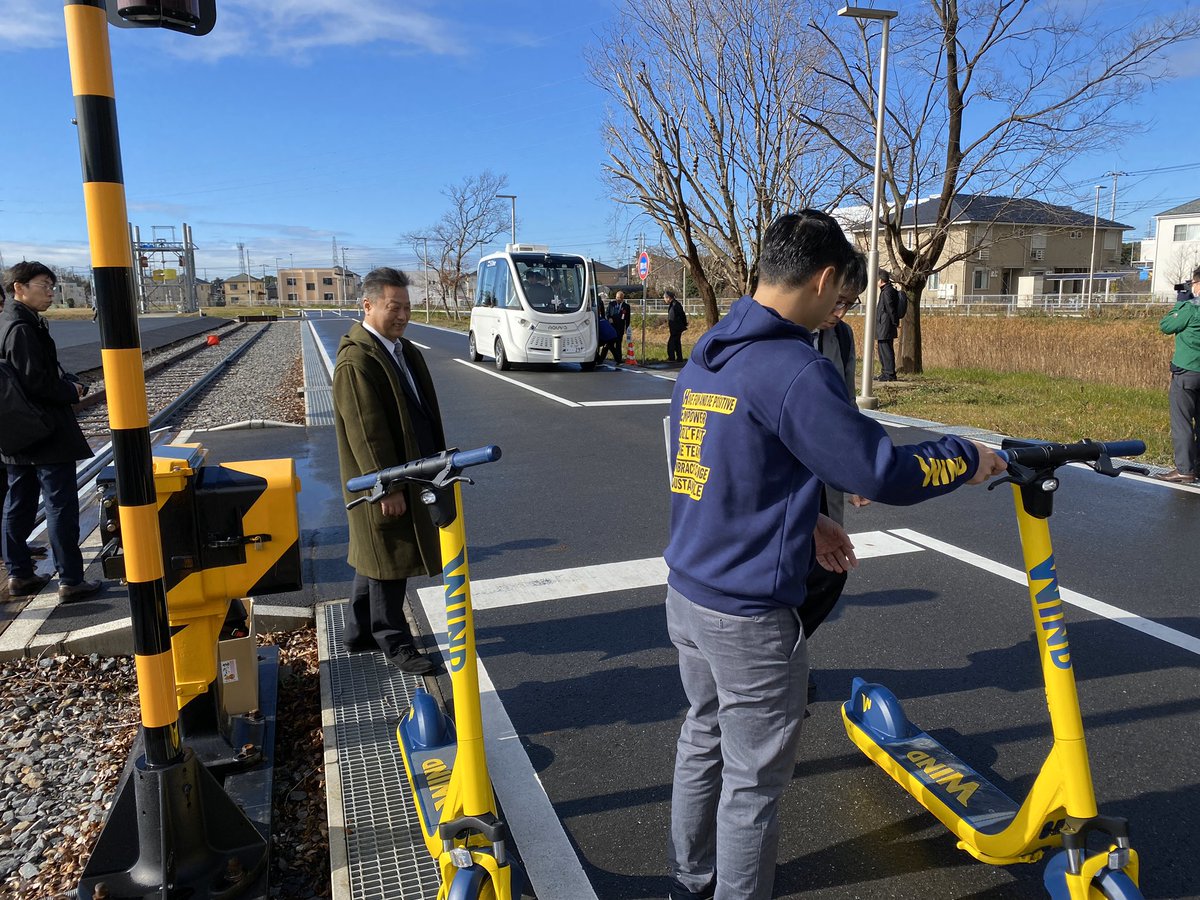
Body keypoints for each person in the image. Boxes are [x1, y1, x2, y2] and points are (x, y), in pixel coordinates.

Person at [664, 210, 1005, 900]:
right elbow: (876, 471)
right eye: (844, 300)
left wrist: (807, 518)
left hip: (689, 588)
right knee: (755, 780)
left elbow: (709, 462)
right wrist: (966, 458)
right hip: (752, 612)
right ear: (823, 280)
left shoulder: (711, 350)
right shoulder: (791, 366)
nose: (840, 313)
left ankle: (693, 875)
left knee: (702, 735)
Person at [333, 267, 446, 675]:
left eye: (406, 307)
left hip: (412, 469)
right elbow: (367, 433)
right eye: (393, 307)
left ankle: (358, 631)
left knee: (375, 550)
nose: (402, 315)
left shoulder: (402, 350)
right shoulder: (357, 359)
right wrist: (386, 487)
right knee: (388, 556)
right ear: (368, 305)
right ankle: (393, 640)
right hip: (383, 479)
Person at [1, 262, 101, 600]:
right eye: (45, 284)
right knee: (60, 504)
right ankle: (71, 580)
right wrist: (70, 392)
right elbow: (36, 383)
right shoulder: (21, 328)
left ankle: (19, 575)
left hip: (16, 432)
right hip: (44, 432)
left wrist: (65, 380)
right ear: (19, 286)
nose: (51, 292)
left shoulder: (11, 322)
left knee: (18, 502)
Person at [1156, 268, 1200, 484]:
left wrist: (1182, 301)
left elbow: (1166, 326)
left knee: (1182, 422)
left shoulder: (1190, 310)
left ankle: (1184, 469)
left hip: (1187, 372)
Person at [876, 269, 902, 382]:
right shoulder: (888, 290)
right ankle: (885, 372)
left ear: (881, 281)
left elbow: (890, 308)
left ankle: (889, 373)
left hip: (885, 325)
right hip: (885, 325)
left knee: (886, 349)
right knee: (883, 349)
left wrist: (895, 322)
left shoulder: (887, 292)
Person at [665, 288, 688, 363]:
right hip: (677, 327)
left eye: (665, 298)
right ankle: (679, 358)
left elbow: (679, 316)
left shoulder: (674, 305)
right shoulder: (675, 304)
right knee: (677, 342)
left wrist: (683, 324)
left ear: (668, 298)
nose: (664, 300)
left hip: (676, 328)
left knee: (671, 343)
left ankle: (672, 358)